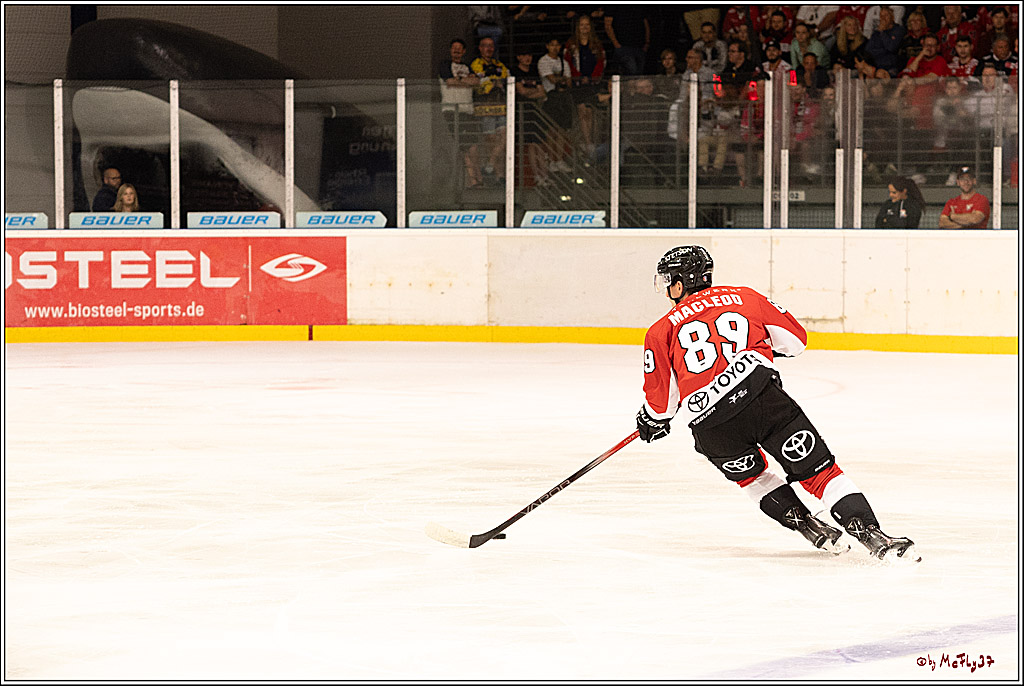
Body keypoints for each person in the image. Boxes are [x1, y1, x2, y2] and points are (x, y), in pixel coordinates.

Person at [636, 245, 919, 562]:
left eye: (668, 281)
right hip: (762, 400)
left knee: (753, 478)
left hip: (712, 426)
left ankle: (809, 527)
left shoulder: (660, 330)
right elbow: (796, 340)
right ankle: (873, 536)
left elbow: (661, 405)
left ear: (680, 282)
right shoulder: (744, 297)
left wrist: (650, 420)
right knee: (822, 474)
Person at [438, 38, 482, 187]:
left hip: (468, 110)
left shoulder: (468, 66)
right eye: (454, 48)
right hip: (452, 110)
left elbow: (476, 82)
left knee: (473, 145)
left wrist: (459, 79)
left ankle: (478, 177)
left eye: (459, 48)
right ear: (450, 50)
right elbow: (449, 82)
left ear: (464, 51)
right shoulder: (445, 65)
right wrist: (465, 81)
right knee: (464, 145)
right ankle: (473, 180)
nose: (456, 50)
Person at [563, 14, 606, 157]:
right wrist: (578, 77)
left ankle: (592, 141)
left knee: (591, 111)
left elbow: (601, 62)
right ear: (578, 27)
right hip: (578, 83)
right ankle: (587, 142)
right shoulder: (571, 44)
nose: (584, 27)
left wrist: (593, 78)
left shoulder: (597, 43)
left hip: (592, 82)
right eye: (582, 25)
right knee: (582, 111)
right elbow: (568, 62)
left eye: (587, 24)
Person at [469, 36, 509, 185]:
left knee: (504, 139)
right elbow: (482, 84)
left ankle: (491, 165)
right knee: (491, 142)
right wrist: (493, 82)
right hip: (485, 108)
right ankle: (499, 175)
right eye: (485, 46)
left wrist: (492, 81)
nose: (489, 48)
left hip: (501, 107)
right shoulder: (476, 63)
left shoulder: (499, 64)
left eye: (491, 46)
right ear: (480, 48)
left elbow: (504, 77)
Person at [603, 6, 650, 76]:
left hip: (639, 46)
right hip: (623, 46)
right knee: (632, 71)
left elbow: (645, 23)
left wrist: (647, 42)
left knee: (640, 73)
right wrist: (616, 44)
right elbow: (607, 25)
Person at [865, 6, 904, 77]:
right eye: (881, 16)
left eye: (886, 15)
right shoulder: (877, 32)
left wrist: (882, 32)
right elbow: (868, 49)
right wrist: (884, 51)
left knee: (879, 75)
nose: (883, 18)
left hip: (892, 67)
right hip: (876, 65)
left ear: (892, 17)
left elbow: (891, 48)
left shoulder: (898, 30)